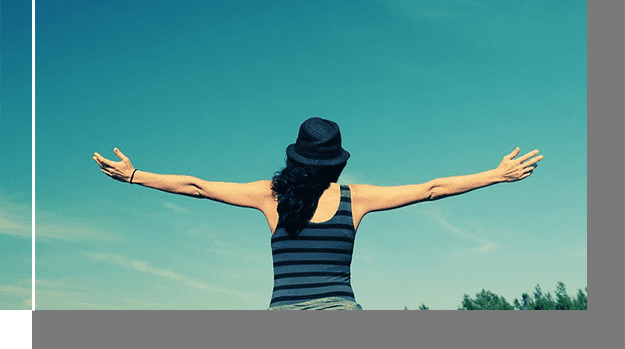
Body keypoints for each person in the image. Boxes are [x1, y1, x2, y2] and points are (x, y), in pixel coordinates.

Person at [92, 117, 543, 310]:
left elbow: (197, 186)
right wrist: (495, 175)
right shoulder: (355, 197)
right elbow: (430, 189)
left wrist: (136, 176)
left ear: (296, 157)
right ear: (336, 162)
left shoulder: (269, 195)